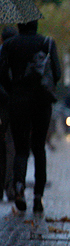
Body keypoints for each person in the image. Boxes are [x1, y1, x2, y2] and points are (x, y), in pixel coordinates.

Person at [0, 21, 61, 212]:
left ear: (19, 25)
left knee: (21, 149)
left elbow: (1, 75)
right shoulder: (47, 43)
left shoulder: (9, 45)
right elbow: (57, 73)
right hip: (41, 101)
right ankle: (38, 196)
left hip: (18, 101)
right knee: (39, 147)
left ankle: (18, 187)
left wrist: (14, 90)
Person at [0, 26, 17, 201]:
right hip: (11, 106)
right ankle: (10, 185)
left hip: (6, 106)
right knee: (12, 148)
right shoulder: (16, 57)